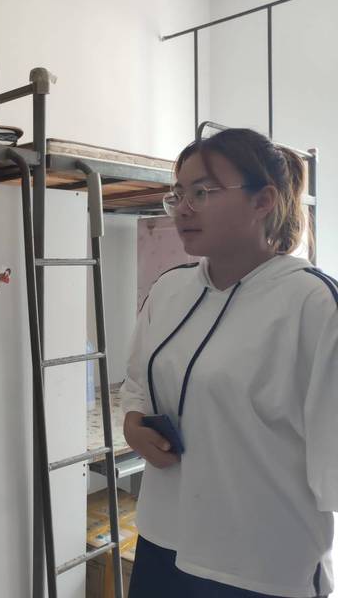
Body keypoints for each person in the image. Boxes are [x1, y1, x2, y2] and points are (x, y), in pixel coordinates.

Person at [122, 128, 338, 598]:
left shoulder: (313, 303)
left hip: (259, 564)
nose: (183, 208)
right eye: (178, 194)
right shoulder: (169, 289)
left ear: (263, 200)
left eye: (202, 192)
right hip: (163, 539)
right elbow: (137, 384)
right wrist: (133, 424)